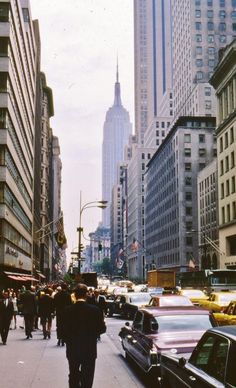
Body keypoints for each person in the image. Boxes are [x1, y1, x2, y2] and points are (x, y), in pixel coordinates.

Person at [62, 283, 106, 388]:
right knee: (88, 377)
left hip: (73, 349)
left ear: (75, 295)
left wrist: (68, 340)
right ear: (86, 295)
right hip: (89, 349)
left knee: (73, 374)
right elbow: (102, 329)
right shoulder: (95, 310)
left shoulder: (67, 310)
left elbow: (63, 331)